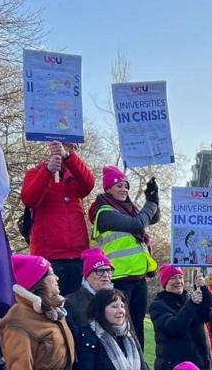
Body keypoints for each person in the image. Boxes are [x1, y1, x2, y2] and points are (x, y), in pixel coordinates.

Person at [88, 167, 161, 346]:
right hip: (117, 279)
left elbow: (153, 218)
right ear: (107, 189)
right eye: (119, 185)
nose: (124, 190)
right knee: (119, 326)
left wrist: (153, 197)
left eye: (126, 186)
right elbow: (137, 224)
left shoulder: (128, 210)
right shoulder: (104, 213)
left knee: (137, 327)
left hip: (137, 278)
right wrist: (150, 205)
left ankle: (139, 368)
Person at [20, 141, 95, 295]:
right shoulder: (36, 172)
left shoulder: (76, 176)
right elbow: (29, 199)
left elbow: (89, 184)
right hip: (49, 256)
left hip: (77, 256)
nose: (68, 150)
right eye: (66, 146)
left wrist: (69, 157)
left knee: (76, 307)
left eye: (72, 148)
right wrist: (47, 172)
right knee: (51, 303)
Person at [148, 264, 212, 370]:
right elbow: (175, 326)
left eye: (180, 277)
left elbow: (207, 314)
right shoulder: (158, 306)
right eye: (173, 278)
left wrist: (204, 289)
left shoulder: (192, 299)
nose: (178, 281)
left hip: (199, 369)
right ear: (165, 283)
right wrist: (191, 304)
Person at [64, 247, 114, 334]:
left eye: (108, 270)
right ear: (87, 276)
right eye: (100, 271)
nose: (106, 275)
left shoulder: (119, 299)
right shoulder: (70, 303)